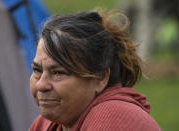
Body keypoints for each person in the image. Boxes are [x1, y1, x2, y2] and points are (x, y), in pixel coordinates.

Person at [29, 9, 161, 131]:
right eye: (37, 70)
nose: (41, 85)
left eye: (58, 73)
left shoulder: (112, 118)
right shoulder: (45, 124)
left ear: (100, 78)